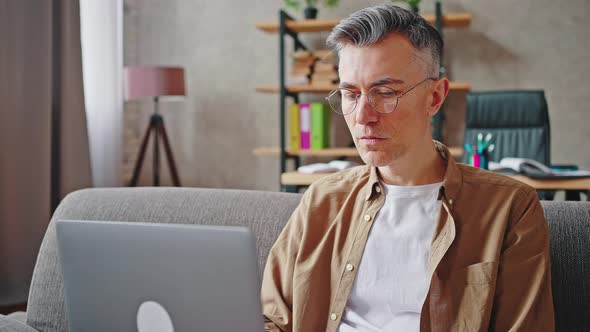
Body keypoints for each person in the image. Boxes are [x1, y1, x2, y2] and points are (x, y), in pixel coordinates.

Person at [261, 4, 554, 332]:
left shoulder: (510, 208)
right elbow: (272, 319)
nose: (362, 117)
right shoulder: (321, 200)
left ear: (435, 97)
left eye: (385, 93)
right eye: (350, 94)